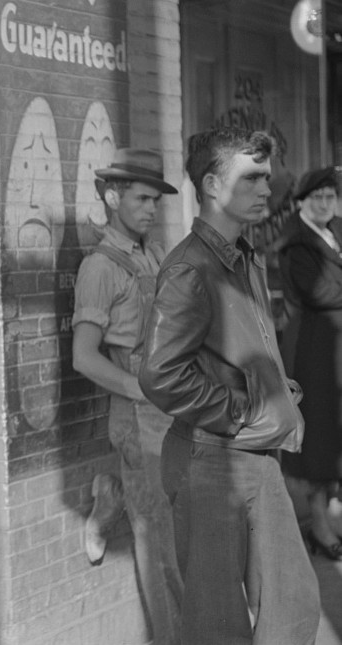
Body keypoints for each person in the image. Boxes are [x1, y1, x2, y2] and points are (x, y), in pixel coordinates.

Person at [138, 127, 320, 644]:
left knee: (295, 604)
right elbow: (160, 374)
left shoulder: (245, 256)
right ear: (215, 185)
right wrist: (242, 410)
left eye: (268, 176)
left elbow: (231, 348)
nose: (268, 188)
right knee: (217, 625)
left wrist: (273, 387)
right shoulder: (189, 269)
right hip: (210, 461)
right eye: (253, 177)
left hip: (255, 458)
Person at [72, 149, 182, 644]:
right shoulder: (99, 267)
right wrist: (139, 390)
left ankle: (111, 493)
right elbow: (83, 357)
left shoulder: (154, 254)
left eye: (156, 201)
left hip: (174, 404)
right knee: (156, 535)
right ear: (113, 198)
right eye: (141, 199)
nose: (150, 210)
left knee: (178, 526)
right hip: (137, 411)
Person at [278, 166, 342, 559]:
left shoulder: (334, 232)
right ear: (301, 201)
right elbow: (320, 291)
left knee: (336, 436)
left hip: (336, 352)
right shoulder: (295, 242)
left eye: (330, 196)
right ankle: (319, 525)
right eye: (316, 197)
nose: (324, 203)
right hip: (314, 355)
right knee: (318, 442)